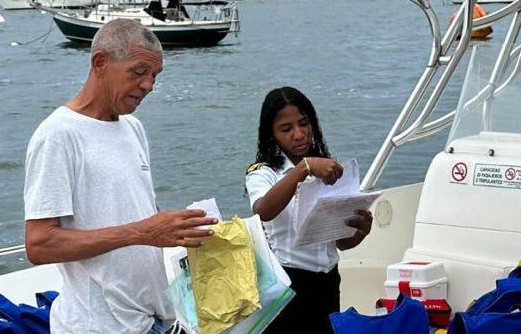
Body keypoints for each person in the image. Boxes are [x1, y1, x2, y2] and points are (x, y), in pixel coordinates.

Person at [23, 19, 217, 334]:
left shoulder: (132, 128)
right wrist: (142, 232)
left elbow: (136, 214)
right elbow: (40, 244)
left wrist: (180, 231)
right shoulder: (58, 135)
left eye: (154, 76)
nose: (148, 85)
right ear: (100, 63)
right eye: (139, 72)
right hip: (97, 326)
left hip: (150, 320)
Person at [245, 87, 374, 334]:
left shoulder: (325, 168)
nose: (299, 134)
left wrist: (359, 232)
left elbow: (339, 243)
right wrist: (303, 169)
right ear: (271, 134)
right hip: (289, 282)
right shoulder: (263, 172)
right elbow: (263, 210)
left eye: (304, 124)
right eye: (286, 129)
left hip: (328, 280)